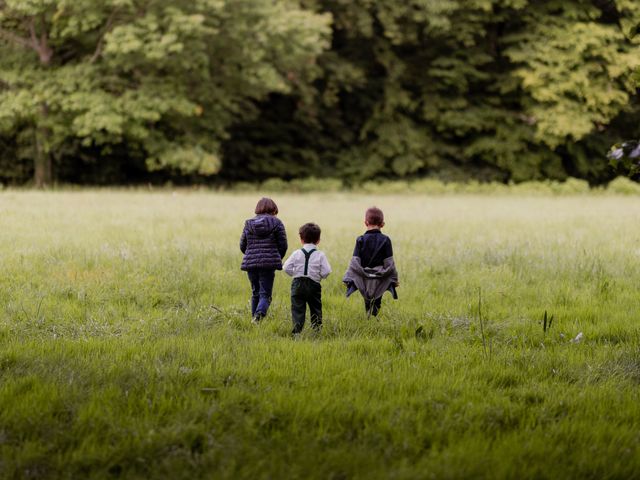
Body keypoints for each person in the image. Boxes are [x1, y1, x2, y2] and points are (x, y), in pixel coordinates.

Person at [343, 207, 399, 317]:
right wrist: (394, 279)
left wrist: (348, 278)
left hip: (363, 277)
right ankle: (374, 316)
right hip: (380, 277)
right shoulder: (386, 240)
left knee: (367, 298)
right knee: (377, 298)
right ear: (382, 224)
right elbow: (389, 263)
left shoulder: (360, 240)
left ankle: (368, 314)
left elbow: (354, 262)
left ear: (365, 223)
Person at [240, 197, 288, 324]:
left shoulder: (248, 223)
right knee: (265, 295)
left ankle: (254, 319)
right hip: (268, 265)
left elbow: (242, 245)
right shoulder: (277, 223)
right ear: (274, 209)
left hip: (251, 263)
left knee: (255, 293)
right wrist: (275, 257)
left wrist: (252, 255)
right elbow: (283, 245)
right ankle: (258, 317)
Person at [283, 223, 332, 335]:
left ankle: (297, 333)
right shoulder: (320, 255)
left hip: (298, 283)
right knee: (315, 307)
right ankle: (316, 331)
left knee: (297, 308)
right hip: (314, 284)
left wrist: (295, 274)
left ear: (301, 239)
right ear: (318, 240)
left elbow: (286, 267)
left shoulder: (296, 253)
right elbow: (327, 271)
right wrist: (319, 277)